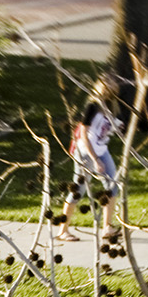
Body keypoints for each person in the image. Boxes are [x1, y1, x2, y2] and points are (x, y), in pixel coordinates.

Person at [59, 96, 119, 243]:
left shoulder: (113, 106)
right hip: (86, 151)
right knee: (78, 190)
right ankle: (63, 231)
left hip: (102, 150)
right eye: (109, 82)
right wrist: (95, 159)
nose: (114, 84)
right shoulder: (92, 106)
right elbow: (83, 134)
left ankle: (107, 227)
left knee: (113, 186)